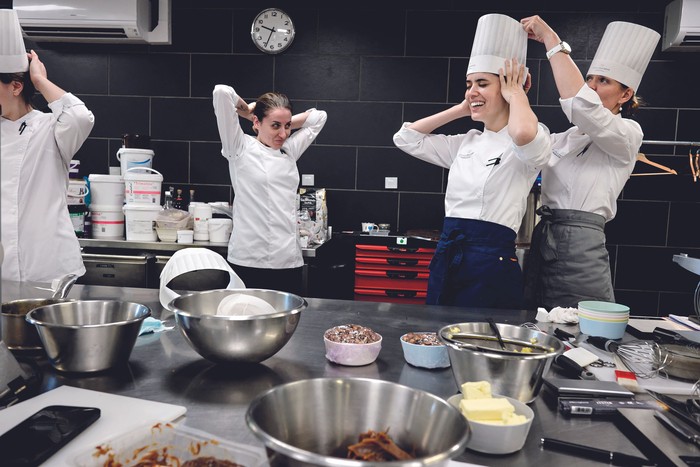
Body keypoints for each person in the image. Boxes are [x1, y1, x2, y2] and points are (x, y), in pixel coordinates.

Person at [393, 14, 551, 309]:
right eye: (469, 84)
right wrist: (461, 109)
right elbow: (405, 138)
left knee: (484, 345)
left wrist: (516, 93)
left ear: (509, 87)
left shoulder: (531, 137)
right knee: (439, 339)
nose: (472, 91)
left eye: (482, 83)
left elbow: (523, 133)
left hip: (491, 264)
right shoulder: (465, 142)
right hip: (448, 255)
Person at [520, 16, 660, 309]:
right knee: (537, 322)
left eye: (604, 81)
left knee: (583, 327)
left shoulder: (628, 135)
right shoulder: (564, 138)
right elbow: (526, 142)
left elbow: (583, 106)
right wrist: (517, 95)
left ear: (626, 94)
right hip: (544, 237)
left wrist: (550, 39)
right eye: (590, 79)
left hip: (581, 246)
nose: (593, 86)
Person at [1, 10, 95, 283]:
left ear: (16, 86)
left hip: (49, 268)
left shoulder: (50, 128)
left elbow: (80, 116)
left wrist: (40, 81)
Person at [212, 84, 327, 295]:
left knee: (285, 325)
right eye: (275, 126)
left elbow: (319, 117)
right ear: (257, 122)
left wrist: (281, 120)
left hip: (288, 261)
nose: (283, 134)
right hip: (248, 260)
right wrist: (248, 112)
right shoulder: (238, 147)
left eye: (288, 126)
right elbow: (222, 92)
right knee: (245, 322)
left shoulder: (289, 150)